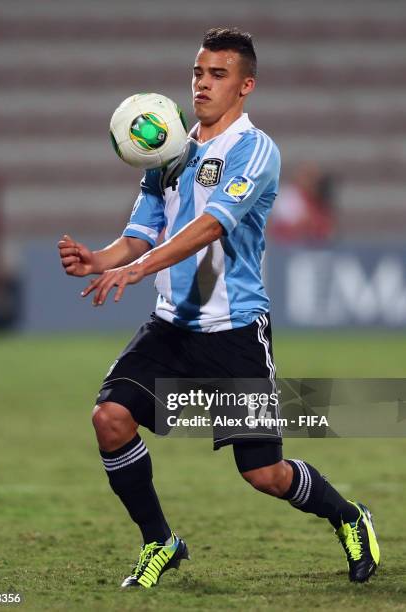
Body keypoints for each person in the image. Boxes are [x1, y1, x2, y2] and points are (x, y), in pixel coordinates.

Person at [57, 28, 379, 588]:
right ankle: (160, 541)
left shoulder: (256, 151)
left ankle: (350, 516)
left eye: (218, 75)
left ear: (246, 85)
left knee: (264, 473)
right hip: (171, 327)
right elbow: (140, 233)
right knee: (110, 418)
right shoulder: (169, 150)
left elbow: (211, 227)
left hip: (234, 331)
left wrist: (139, 267)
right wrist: (99, 259)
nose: (203, 84)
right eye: (198, 74)